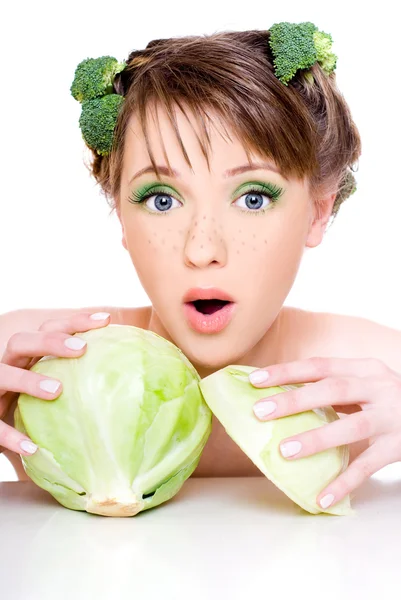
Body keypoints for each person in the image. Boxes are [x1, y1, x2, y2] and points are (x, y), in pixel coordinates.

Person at [1, 23, 401, 512]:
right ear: (121, 215)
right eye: (162, 199)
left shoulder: (378, 373)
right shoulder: (26, 364)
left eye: (254, 197)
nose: (202, 248)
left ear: (318, 211)